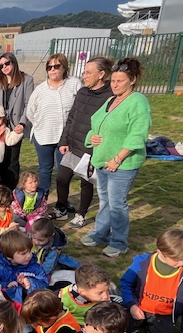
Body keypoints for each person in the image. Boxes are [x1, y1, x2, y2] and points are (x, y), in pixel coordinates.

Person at [81, 57, 152, 257]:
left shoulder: (138, 102)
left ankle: (119, 241)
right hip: (103, 160)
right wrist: (91, 138)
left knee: (117, 203)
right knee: (105, 199)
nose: (115, 85)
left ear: (133, 80)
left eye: (120, 81)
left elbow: (137, 134)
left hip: (122, 163)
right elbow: (97, 123)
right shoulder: (111, 99)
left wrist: (118, 158)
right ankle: (100, 234)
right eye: (113, 80)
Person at [52, 56, 114, 229]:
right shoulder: (82, 92)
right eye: (84, 72)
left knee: (86, 183)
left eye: (88, 72)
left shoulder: (110, 96)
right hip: (73, 145)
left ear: (101, 74)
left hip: (92, 149)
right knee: (62, 178)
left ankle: (81, 214)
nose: (83, 75)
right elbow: (72, 117)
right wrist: (64, 140)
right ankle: (62, 208)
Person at [26, 53, 82, 196]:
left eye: (56, 66)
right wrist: (41, 124)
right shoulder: (40, 89)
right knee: (45, 169)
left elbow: (80, 109)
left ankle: (62, 201)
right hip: (43, 135)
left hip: (66, 138)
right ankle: (42, 200)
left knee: (64, 171)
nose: (52, 70)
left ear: (64, 67)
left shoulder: (74, 84)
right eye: (49, 67)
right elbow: (30, 112)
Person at [120, 228, 183, 333]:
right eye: (177, 259)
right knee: (119, 326)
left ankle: (149, 323)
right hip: (138, 307)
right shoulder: (142, 262)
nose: (182, 263)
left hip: (164, 314)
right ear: (161, 252)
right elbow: (126, 284)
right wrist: (132, 305)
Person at [0, 53, 34, 189]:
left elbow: (28, 104)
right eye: (1, 65)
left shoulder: (26, 80)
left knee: (12, 160)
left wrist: (22, 123)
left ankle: (11, 190)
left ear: (13, 63)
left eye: (7, 63)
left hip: (15, 127)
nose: (4, 67)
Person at [0, 230, 49, 304]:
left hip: (29, 305)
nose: (29, 255)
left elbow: (45, 285)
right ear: (9, 256)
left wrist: (30, 283)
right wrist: (6, 285)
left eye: (29, 251)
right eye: (23, 253)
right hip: (5, 306)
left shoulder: (35, 267)